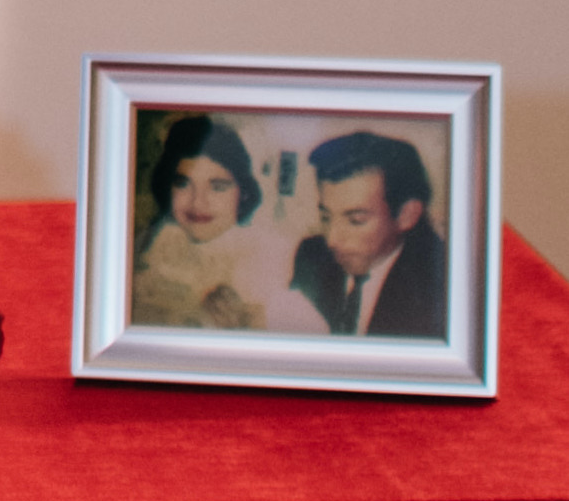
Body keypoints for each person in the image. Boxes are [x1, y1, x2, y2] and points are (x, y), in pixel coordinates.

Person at [130, 110, 291, 331]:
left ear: (242, 192)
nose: (198, 203)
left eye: (217, 187)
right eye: (183, 184)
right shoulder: (146, 248)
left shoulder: (266, 265)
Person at [292, 127, 450, 338]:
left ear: (407, 215)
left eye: (356, 220)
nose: (332, 240)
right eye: (326, 217)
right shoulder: (311, 257)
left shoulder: (440, 287)